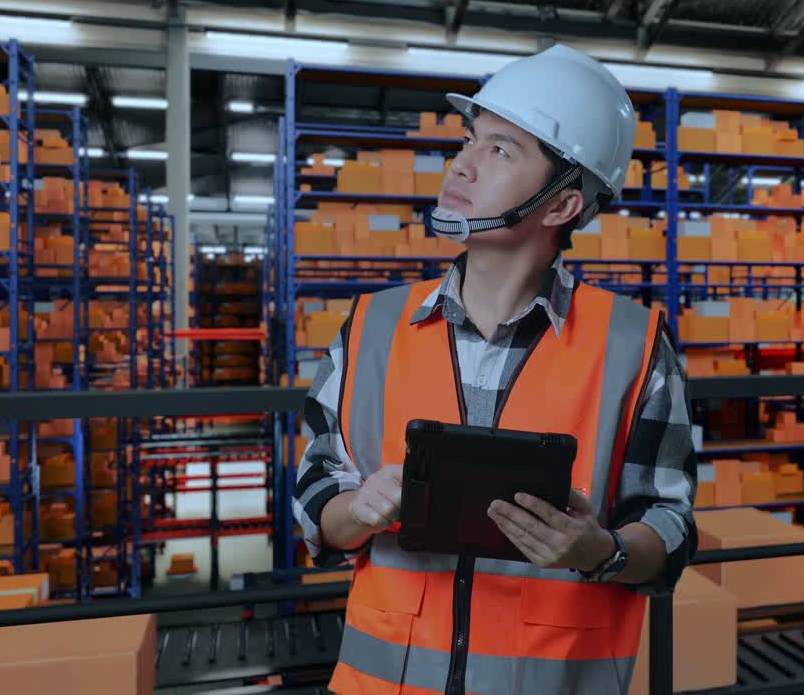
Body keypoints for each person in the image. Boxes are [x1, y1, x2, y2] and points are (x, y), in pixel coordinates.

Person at [292, 44, 697, 695]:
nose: (463, 164)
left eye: (501, 150)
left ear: (561, 206)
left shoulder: (635, 345)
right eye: (470, 140)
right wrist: (358, 510)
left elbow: (670, 530)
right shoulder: (371, 327)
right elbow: (316, 504)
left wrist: (599, 550)